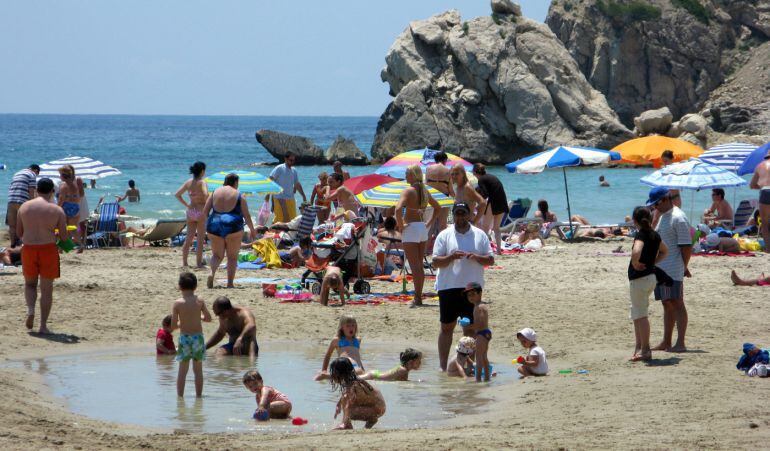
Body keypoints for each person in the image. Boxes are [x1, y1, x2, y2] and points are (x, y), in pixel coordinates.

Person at [432, 202, 494, 371]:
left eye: (463, 213)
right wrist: (451, 257)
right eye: (457, 214)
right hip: (448, 287)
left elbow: (490, 260)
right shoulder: (444, 235)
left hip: (472, 289)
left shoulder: (480, 235)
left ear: (469, 215)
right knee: (447, 328)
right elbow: (435, 261)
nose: (460, 217)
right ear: (454, 215)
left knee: (471, 330)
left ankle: (468, 366)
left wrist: (476, 257)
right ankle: (443, 367)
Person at [17, 178, 67, 334]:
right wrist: (57, 235)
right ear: (52, 191)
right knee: (47, 290)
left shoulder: (24, 207)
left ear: (36, 190)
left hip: (29, 249)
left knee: (30, 284)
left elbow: (19, 233)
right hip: (48, 249)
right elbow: (64, 238)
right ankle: (43, 326)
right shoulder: (57, 210)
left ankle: (31, 311)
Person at [647, 187, 691, 352]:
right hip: (662, 269)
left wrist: (684, 267)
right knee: (667, 304)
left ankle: (680, 343)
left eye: (656, 203)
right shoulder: (664, 216)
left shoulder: (678, 217)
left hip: (672, 269)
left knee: (677, 303)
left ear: (665, 199)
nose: (654, 207)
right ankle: (666, 341)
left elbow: (686, 247)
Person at [395, 165, 441, 307]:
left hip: (411, 228)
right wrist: (429, 222)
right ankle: (418, 296)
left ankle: (417, 298)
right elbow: (437, 207)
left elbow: (397, 209)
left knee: (414, 266)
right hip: (422, 228)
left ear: (414, 175)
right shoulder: (424, 190)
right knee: (419, 265)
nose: (405, 175)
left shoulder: (409, 191)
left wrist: (401, 225)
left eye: (407, 173)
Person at [627, 206, 668, 362]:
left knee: (641, 314)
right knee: (637, 313)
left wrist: (636, 262)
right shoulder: (654, 235)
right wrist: (652, 263)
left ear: (635, 221)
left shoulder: (641, 235)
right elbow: (665, 251)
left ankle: (645, 350)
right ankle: (639, 347)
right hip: (650, 277)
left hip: (640, 279)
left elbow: (637, 251)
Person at [203, 173, 257, 289]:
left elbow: (205, 212)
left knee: (217, 255)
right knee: (232, 257)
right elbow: (246, 215)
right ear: (235, 183)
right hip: (232, 225)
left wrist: (206, 228)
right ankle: (229, 283)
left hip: (215, 224)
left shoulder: (214, 193)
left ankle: (211, 273)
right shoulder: (239, 195)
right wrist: (252, 230)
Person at [171, 272, 212, 397]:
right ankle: (199, 396)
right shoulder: (199, 301)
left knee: (182, 371)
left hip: (184, 339)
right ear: (195, 286)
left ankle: (180, 398)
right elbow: (208, 318)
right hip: (198, 338)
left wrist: (181, 323)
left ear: (179, 286)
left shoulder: (177, 303)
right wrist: (198, 316)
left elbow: (173, 326)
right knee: (198, 371)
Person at [328, 357, 386, 430]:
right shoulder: (354, 380)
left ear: (341, 373)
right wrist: (339, 404)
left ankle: (346, 424)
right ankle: (369, 421)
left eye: (333, 372)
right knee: (347, 403)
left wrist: (345, 418)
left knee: (350, 410)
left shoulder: (354, 385)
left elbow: (347, 401)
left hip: (377, 409)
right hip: (378, 407)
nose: (332, 375)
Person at [175, 161, 208, 268]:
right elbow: (206, 194)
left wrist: (187, 205)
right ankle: (198, 263)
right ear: (202, 171)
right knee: (200, 239)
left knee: (189, 237)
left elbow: (177, 194)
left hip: (191, 211)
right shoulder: (202, 182)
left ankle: (184, 263)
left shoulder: (188, 182)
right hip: (200, 211)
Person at [473, 163, 508, 255]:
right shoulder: (491, 177)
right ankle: (499, 250)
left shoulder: (481, 180)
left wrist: (478, 204)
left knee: (485, 226)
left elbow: (484, 194)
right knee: (496, 228)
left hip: (493, 203)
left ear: (475, 173)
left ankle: (483, 250)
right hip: (503, 202)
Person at [315, 315, 363, 380]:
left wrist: (362, 367)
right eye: (348, 326)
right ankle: (325, 376)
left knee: (359, 376)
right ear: (342, 328)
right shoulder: (337, 340)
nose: (351, 328)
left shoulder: (358, 340)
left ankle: (329, 376)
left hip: (358, 368)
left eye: (353, 325)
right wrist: (324, 370)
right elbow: (328, 355)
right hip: (345, 368)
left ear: (356, 327)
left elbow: (357, 356)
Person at [5, 164, 40, 247]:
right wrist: (33, 204)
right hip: (22, 201)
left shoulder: (17, 173)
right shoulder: (32, 174)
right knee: (26, 224)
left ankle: (13, 244)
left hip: (11, 200)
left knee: (12, 225)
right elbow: (31, 191)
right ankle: (23, 244)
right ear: (36, 171)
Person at [463, 282, 491, 381]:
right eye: (468, 295)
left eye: (473, 294)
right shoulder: (478, 306)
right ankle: (487, 378)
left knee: (479, 357)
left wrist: (468, 327)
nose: (470, 297)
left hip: (482, 333)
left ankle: (478, 379)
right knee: (483, 357)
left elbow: (481, 324)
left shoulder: (480, 307)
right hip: (484, 333)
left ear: (480, 293)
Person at [269, 152, 306, 223]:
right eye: (290, 160)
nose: (292, 162)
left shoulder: (294, 170)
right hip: (279, 198)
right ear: (285, 159)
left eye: (293, 160)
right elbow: (270, 180)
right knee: (279, 220)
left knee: (292, 221)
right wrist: (270, 197)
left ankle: (285, 234)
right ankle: (273, 232)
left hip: (290, 198)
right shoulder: (279, 168)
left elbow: (297, 184)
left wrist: (303, 195)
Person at [57, 165, 84, 253]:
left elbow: (61, 199)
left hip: (66, 207)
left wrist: (57, 208)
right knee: (72, 229)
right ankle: (79, 245)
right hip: (75, 206)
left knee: (63, 229)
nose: (59, 176)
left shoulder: (63, 185)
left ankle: (62, 248)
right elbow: (80, 195)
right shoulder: (74, 184)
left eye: (60, 174)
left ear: (63, 175)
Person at [425, 151, 454, 233]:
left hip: (431, 198)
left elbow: (425, 185)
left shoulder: (428, 169)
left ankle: (427, 244)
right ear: (445, 160)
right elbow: (451, 190)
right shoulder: (448, 171)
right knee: (442, 225)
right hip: (443, 198)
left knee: (430, 225)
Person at [749, 149, 770, 252]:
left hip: (765, 191)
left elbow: (752, 185)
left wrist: (763, 186)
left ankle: (768, 248)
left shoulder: (759, 166)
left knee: (765, 222)